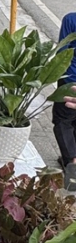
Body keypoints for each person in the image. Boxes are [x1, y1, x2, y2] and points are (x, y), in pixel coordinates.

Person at [52, 12, 76, 190]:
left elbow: (62, 52)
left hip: (70, 81)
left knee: (63, 121)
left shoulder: (71, 20)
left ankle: (73, 163)